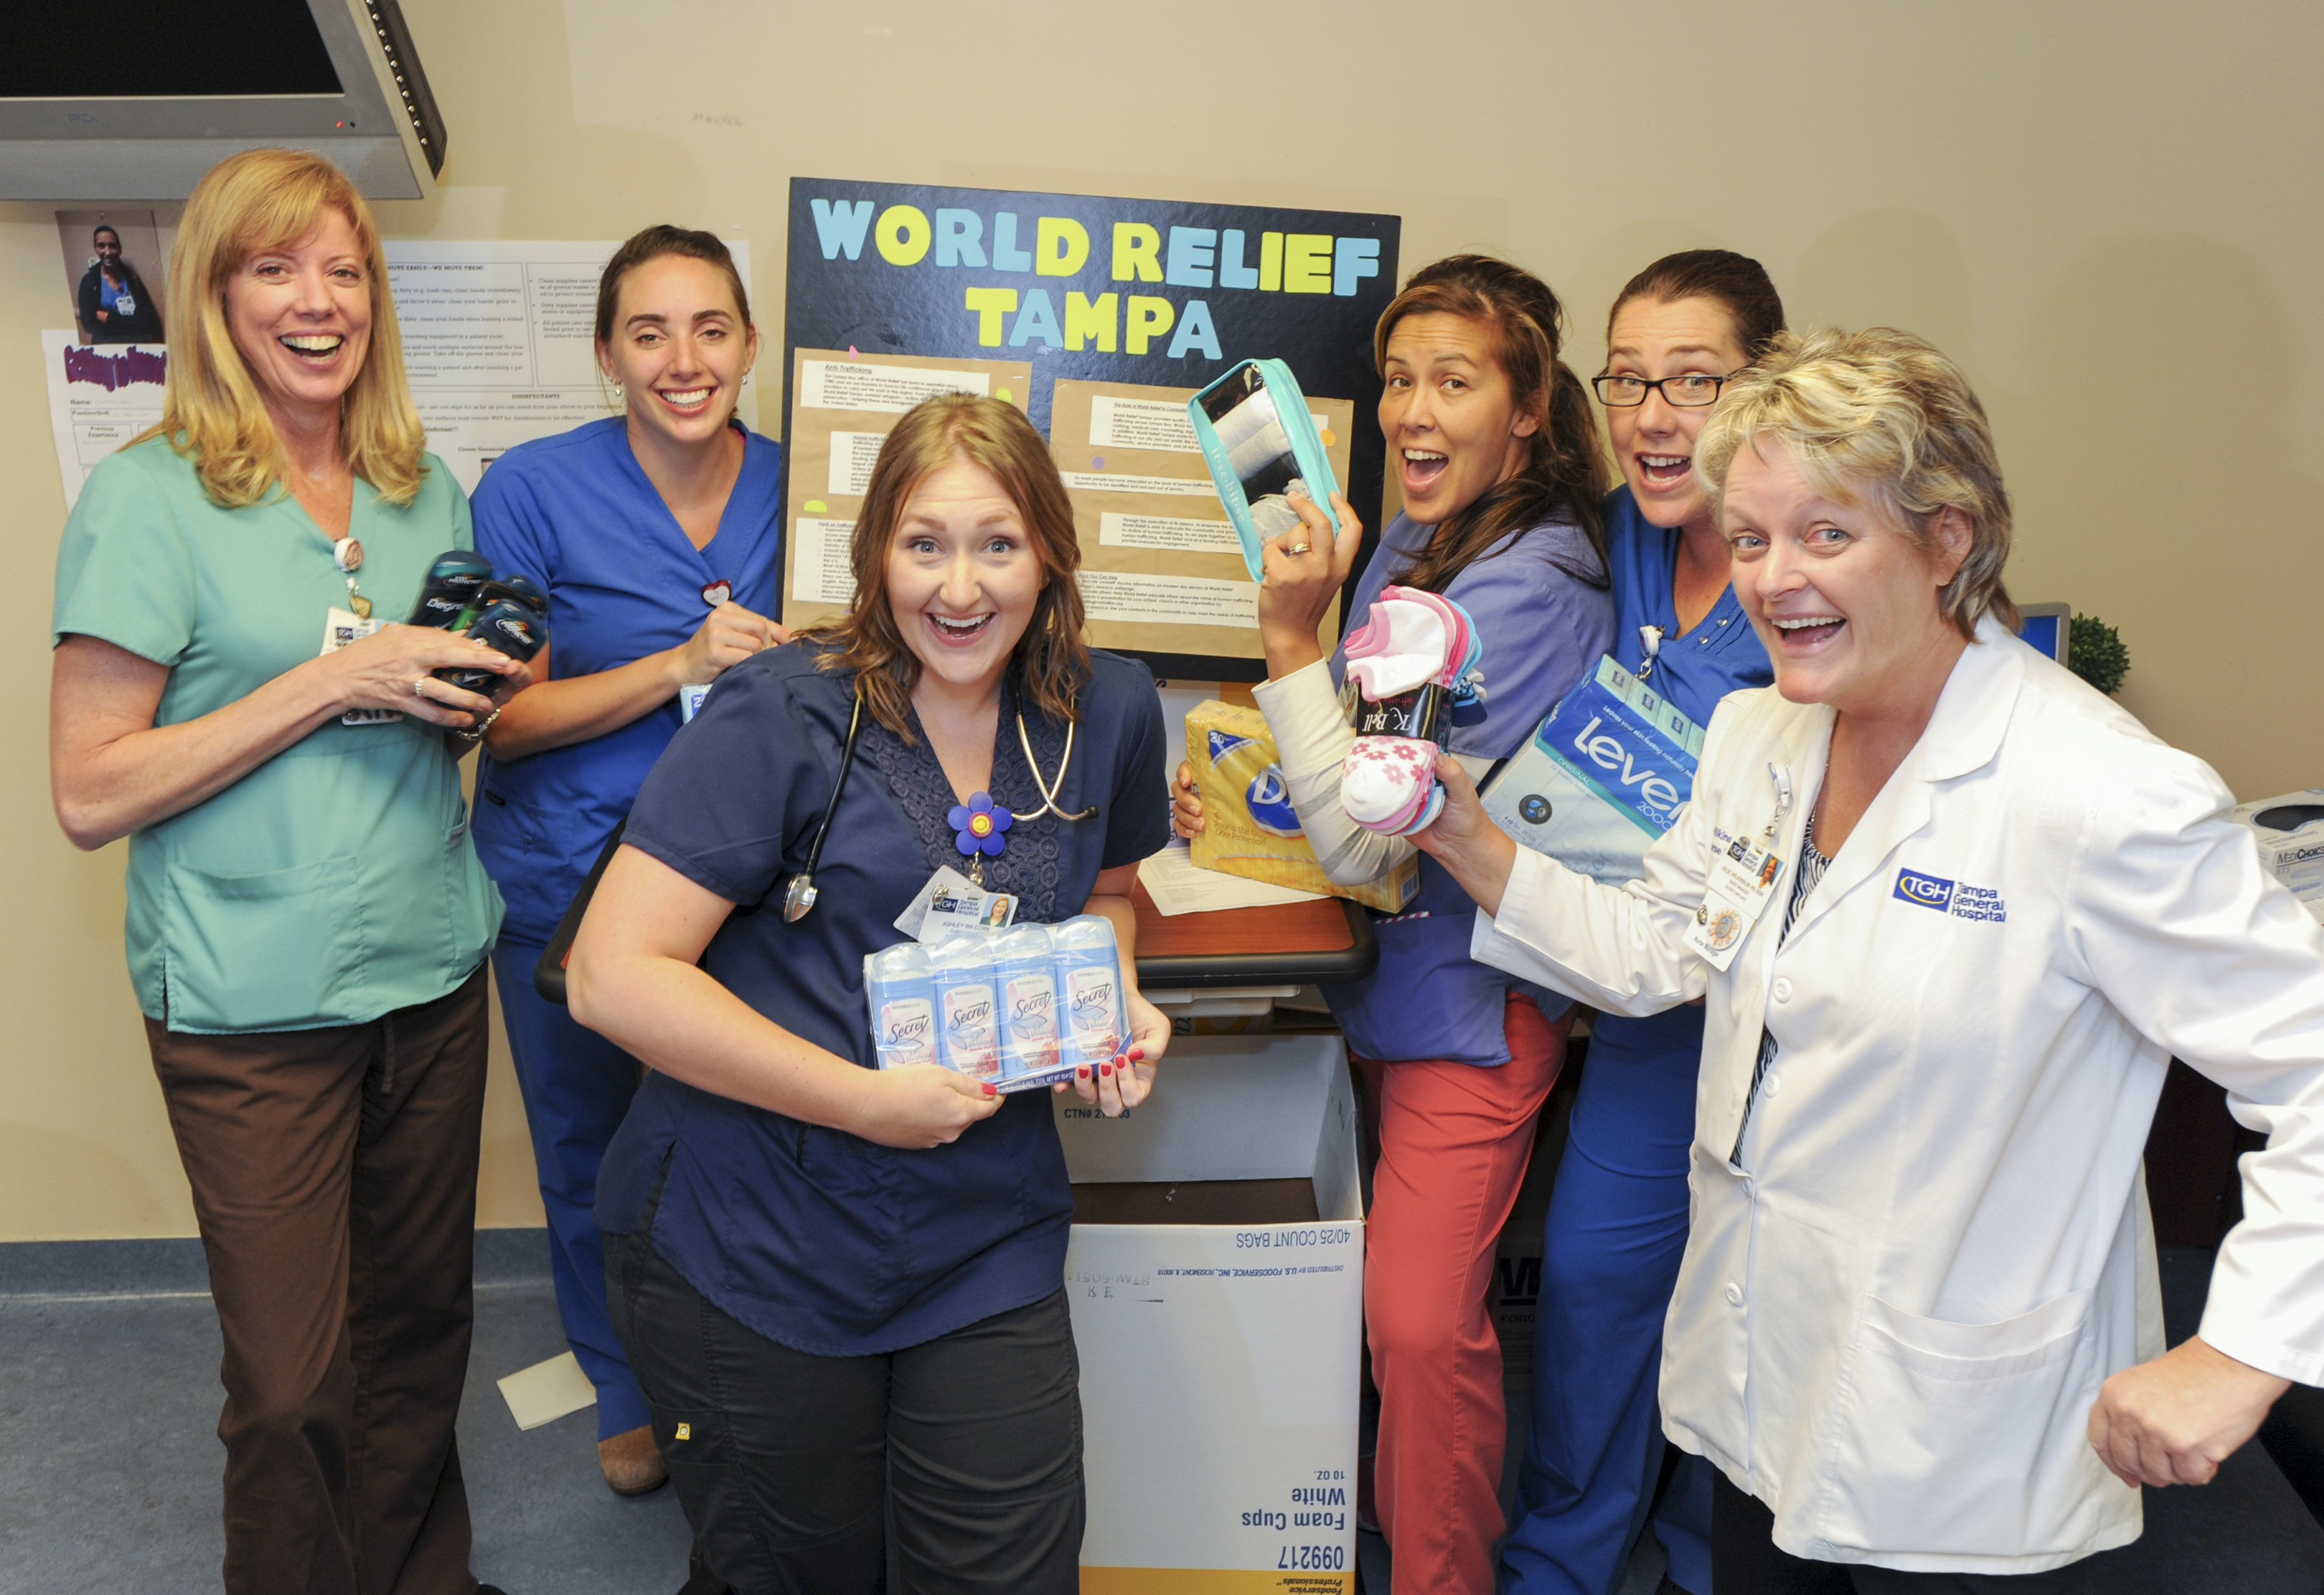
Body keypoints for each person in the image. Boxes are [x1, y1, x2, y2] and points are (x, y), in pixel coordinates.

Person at [1417, 325, 2324, 1592]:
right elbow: (1655, 949)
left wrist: (2244, 1347)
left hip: (1959, 1442)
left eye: (1824, 534)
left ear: (1946, 538)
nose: (1771, 579)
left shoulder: (2094, 790)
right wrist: (1457, 829)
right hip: (1757, 1390)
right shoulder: (1756, 733)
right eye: (1746, 537)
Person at [566, 393, 1174, 1594]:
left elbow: (1105, 893)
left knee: (1007, 1569)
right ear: (874, 555)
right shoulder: (783, 711)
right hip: (757, 1234)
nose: (959, 589)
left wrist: (1110, 1003)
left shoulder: (1106, 708)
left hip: (980, 1229)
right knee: (800, 1573)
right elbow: (608, 975)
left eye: (996, 544)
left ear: (1047, 550)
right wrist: (861, 1101)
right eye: (923, 544)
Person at [48, 148, 525, 1595]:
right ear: (214, 294)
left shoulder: (414, 482)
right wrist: (337, 681)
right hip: (252, 1004)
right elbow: (89, 786)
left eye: (345, 269)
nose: (319, 302)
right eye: (276, 268)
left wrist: (462, 692)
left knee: (419, 1333)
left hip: (430, 963)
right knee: (295, 1380)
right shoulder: (149, 500)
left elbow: (416, 708)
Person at [1174, 254, 1615, 1594]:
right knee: (1388, 1317)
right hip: (1389, 988)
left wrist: (1287, 629)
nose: (1412, 411)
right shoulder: (1430, 551)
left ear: (1529, 403)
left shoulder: (1528, 589)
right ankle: (1402, 1519)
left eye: (1455, 379)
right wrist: (1253, 773)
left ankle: (1440, 1573)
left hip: (1469, 1016)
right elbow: (1338, 776)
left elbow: (1366, 825)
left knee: (1420, 1327)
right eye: (1396, 380)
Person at [469, 223, 784, 1496]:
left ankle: (762, 1376)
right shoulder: (527, 492)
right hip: (568, 877)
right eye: (648, 332)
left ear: (749, 344)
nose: (682, 358)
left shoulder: (808, 484)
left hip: (754, 880)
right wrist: (674, 666)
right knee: (591, 1144)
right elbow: (499, 714)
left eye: (709, 326)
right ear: (607, 353)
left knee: (752, 1134)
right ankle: (624, 1382)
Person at [1500, 249, 1785, 1595]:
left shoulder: (1809, 569)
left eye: (1692, 379)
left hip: (1776, 1021)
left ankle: (1700, 1557)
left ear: (1764, 388)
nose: (1654, 413)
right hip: (1639, 1015)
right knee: (1594, 1294)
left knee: (1750, 1316)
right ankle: (1561, 1559)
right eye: (1626, 380)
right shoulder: (1597, 541)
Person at [77, 222, 166, 344]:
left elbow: (146, 321)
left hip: (136, 345)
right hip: (105, 346)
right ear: (96, 249)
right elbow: (88, 324)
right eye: (102, 246)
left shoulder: (133, 280)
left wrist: (107, 317)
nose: (107, 252)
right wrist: (129, 323)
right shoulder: (89, 282)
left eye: (112, 246)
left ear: (120, 249)